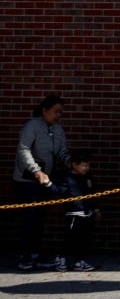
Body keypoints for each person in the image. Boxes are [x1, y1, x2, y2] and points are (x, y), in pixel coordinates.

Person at [13, 94, 71, 271]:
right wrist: (35, 170)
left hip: (46, 180)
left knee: (40, 219)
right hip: (27, 180)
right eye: (55, 111)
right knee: (30, 218)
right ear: (45, 110)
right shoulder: (32, 126)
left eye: (61, 112)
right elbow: (23, 150)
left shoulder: (58, 129)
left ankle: (35, 253)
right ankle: (25, 255)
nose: (58, 115)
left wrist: (70, 162)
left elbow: (61, 151)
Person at [53, 149, 100, 272]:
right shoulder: (67, 178)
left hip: (87, 213)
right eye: (84, 165)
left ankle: (79, 261)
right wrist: (48, 183)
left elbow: (92, 194)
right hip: (74, 213)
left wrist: (96, 209)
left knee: (85, 239)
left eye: (88, 165)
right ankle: (61, 258)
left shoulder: (88, 178)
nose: (87, 168)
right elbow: (60, 191)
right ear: (74, 164)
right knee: (70, 238)